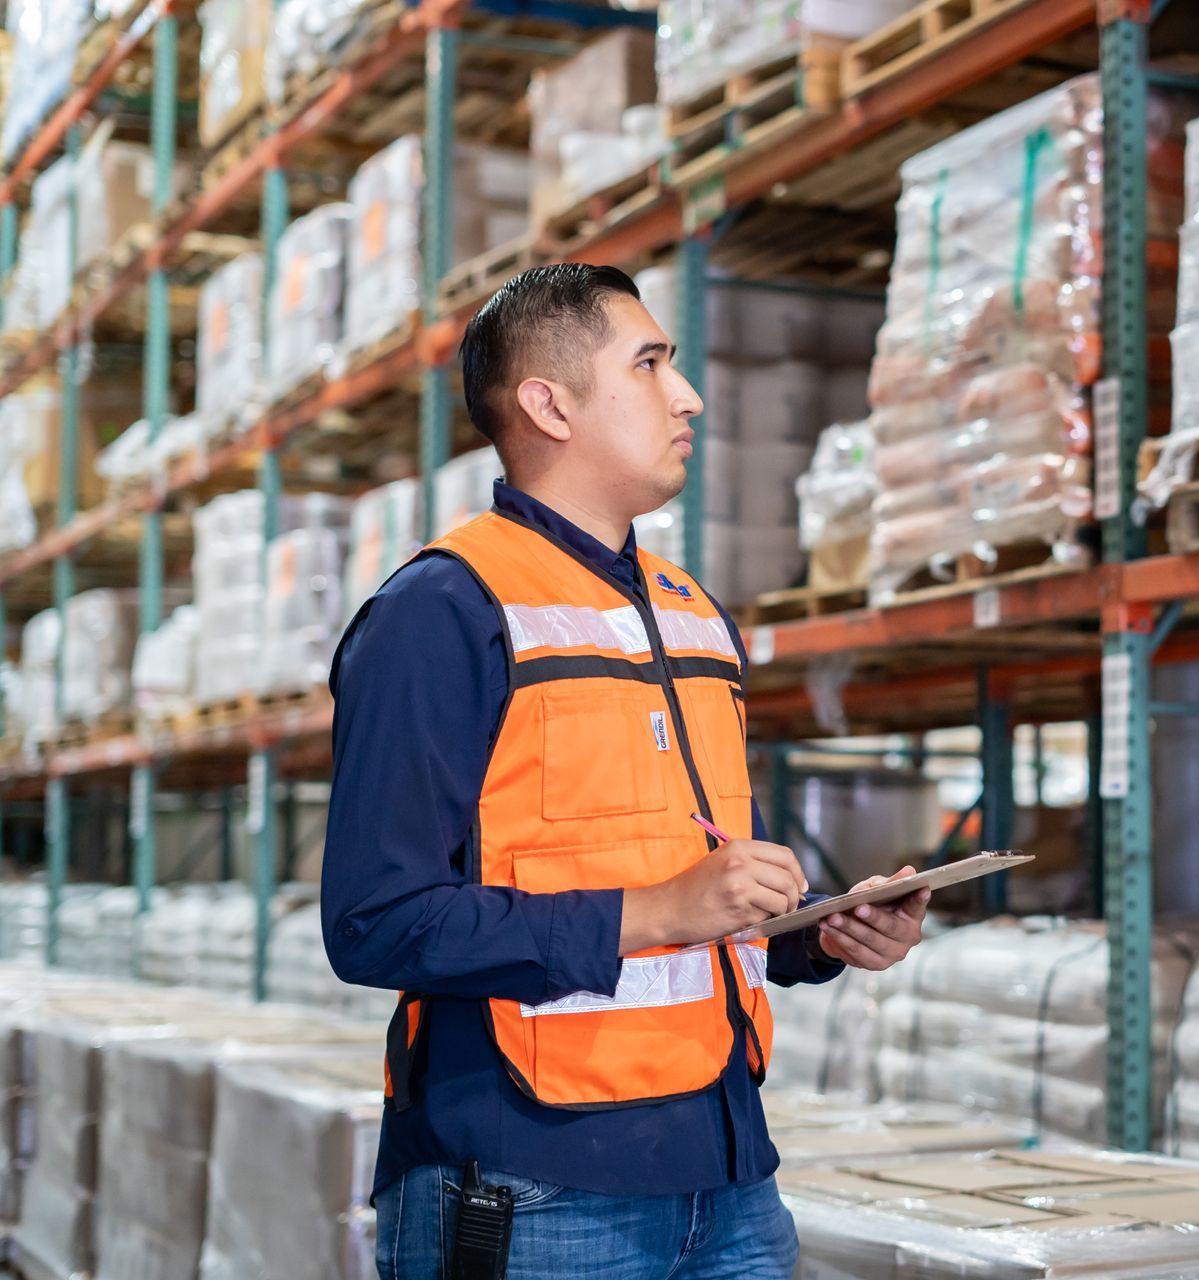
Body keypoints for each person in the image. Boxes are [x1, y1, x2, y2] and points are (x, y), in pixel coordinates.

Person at [320, 263, 930, 1280]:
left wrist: (816, 925)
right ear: (548, 403)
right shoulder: (443, 609)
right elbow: (374, 918)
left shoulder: (691, 612)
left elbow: (699, 885)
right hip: (530, 1184)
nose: (687, 395)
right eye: (648, 364)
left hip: (730, 1178)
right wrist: (656, 909)